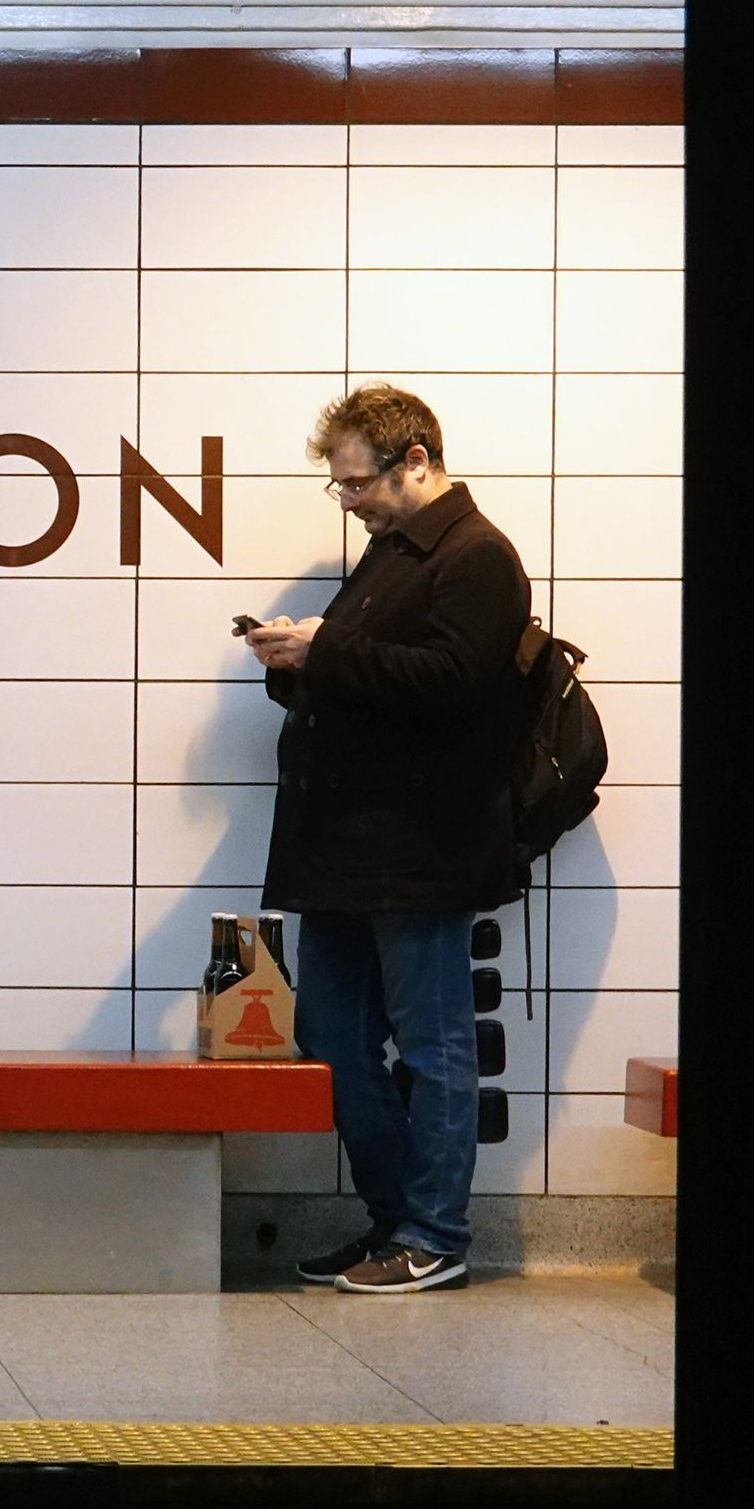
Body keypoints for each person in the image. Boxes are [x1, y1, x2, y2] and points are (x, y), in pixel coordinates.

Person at [243, 382, 531, 1296]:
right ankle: (392, 1224)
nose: (348, 501)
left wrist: (323, 650)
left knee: (433, 1044)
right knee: (330, 1035)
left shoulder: (477, 556)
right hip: (345, 849)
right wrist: (298, 660)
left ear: (416, 461)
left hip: (421, 850)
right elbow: (373, 677)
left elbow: (452, 682)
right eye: (339, 485)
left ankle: (434, 1234)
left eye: (357, 482)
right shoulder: (392, 553)